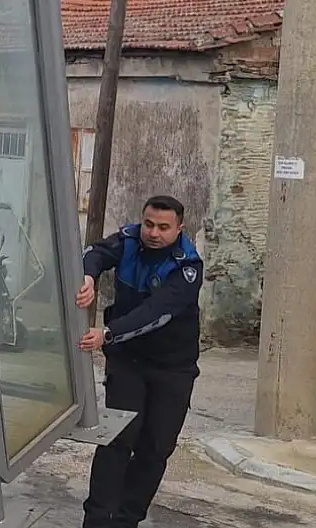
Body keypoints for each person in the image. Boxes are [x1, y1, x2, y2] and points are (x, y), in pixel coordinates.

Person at [75, 195, 204, 528]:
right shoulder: (129, 239)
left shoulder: (187, 266)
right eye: (149, 224)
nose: (154, 233)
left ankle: (126, 519)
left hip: (173, 368)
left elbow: (156, 313)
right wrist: (88, 276)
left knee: (155, 449)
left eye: (163, 227)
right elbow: (96, 252)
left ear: (179, 228)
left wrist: (108, 333)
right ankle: (97, 519)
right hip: (128, 362)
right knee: (118, 439)